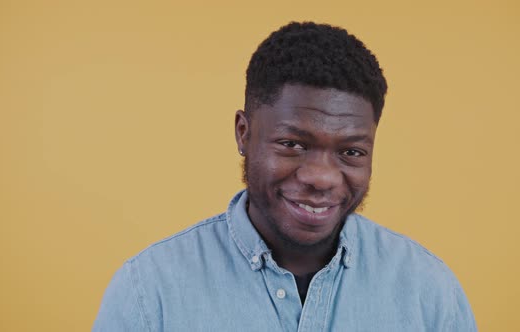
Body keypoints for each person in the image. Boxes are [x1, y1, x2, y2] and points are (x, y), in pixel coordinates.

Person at [93, 22, 477, 331]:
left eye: (351, 152)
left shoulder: (428, 293)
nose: (322, 178)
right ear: (244, 133)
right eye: (293, 144)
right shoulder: (149, 292)